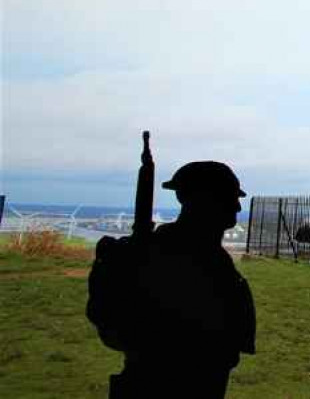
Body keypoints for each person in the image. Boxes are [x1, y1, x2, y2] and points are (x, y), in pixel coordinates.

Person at [87, 161, 256, 399]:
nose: (237, 206)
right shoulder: (165, 254)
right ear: (204, 200)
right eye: (229, 197)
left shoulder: (209, 256)